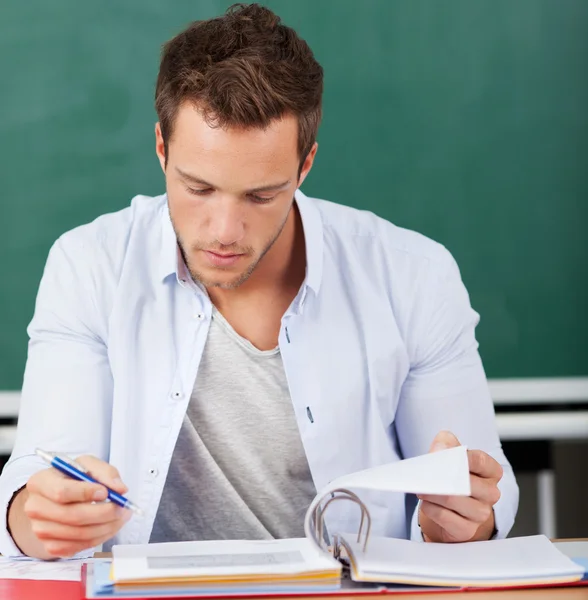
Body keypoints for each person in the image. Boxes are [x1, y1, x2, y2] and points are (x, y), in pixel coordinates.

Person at [0, 3, 517, 560]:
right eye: (198, 188)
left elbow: (480, 489)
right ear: (161, 149)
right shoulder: (90, 266)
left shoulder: (413, 276)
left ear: (306, 166)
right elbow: (37, 475)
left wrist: (467, 521)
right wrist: (37, 515)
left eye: (261, 195)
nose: (224, 231)